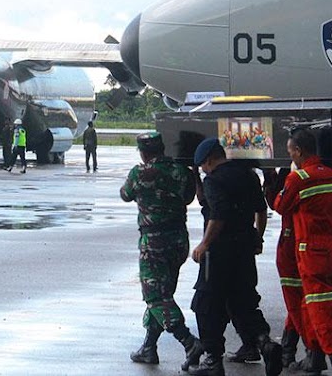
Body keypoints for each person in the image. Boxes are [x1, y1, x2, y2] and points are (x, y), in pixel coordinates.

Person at [189, 138, 282, 376]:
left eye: (202, 166)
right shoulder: (247, 175)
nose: (203, 170)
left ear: (209, 160)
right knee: (244, 301)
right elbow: (261, 210)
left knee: (206, 305)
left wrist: (204, 244)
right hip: (244, 250)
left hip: (219, 253)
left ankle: (212, 360)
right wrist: (257, 239)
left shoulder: (215, 180)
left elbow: (217, 214)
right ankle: (265, 343)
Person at [120, 132, 204, 372]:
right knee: (164, 294)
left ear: (143, 152)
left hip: (154, 242)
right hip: (178, 240)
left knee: (156, 297)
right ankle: (149, 346)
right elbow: (189, 198)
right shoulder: (181, 172)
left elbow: (125, 194)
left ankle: (189, 342)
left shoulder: (140, 173)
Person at [273, 129, 332, 375]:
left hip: (313, 255)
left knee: (319, 313)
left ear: (299, 151)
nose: (291, 157)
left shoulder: (299, 178)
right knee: (312, 308)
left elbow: (280, 206)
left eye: (291, 152)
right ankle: (314, 358)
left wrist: (279, 180)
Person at [262, 167, 305, 370]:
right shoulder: (329, 174)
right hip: (305, 245)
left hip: (294, 245)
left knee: (298, 303)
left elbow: (279, 205)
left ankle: (313, 350)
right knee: (297, 302)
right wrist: (269, 179)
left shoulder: (297, 177)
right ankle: (288, 350)